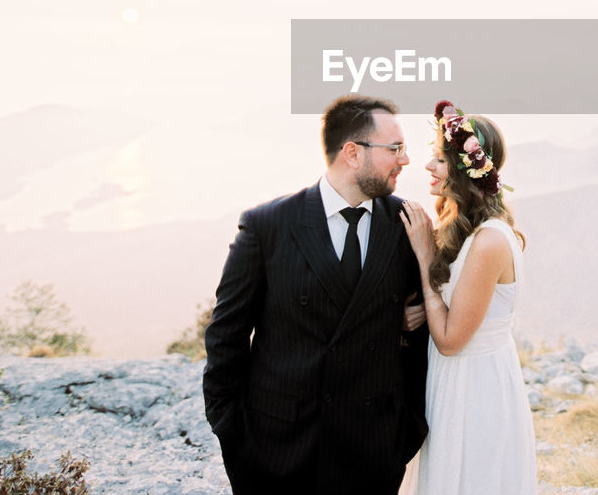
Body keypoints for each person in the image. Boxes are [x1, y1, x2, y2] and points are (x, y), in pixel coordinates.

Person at [203, 95, 430, 495]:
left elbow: (419, 336)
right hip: (277, 452)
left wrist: (405, 431)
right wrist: (234, 436)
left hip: (372, 455)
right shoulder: (268, 225)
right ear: (352, 153)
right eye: (395, 149)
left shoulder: (407, 225)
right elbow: (226, 336)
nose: (405, 160)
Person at [398, 100, 538, 495]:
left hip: (475, 388)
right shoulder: (461, 228)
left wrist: (425, 256)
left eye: (439, 160)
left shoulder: (490, 240)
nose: (428, 167)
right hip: (453, 379)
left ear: (465, 169)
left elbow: (450, 340)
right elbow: (452, 308)